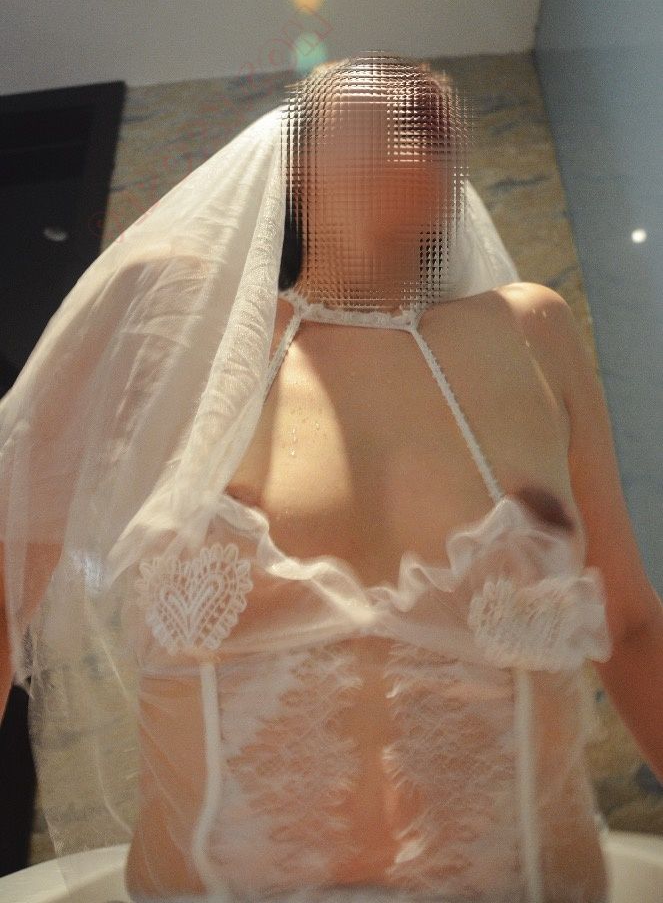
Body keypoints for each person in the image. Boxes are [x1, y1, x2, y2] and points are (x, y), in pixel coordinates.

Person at [0, 53, 661, 903]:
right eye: (369, 85)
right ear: (293, 159)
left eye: (434, 100)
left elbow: (630, 625)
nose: (419, 86)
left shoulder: (532, 327)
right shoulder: (173, 310)